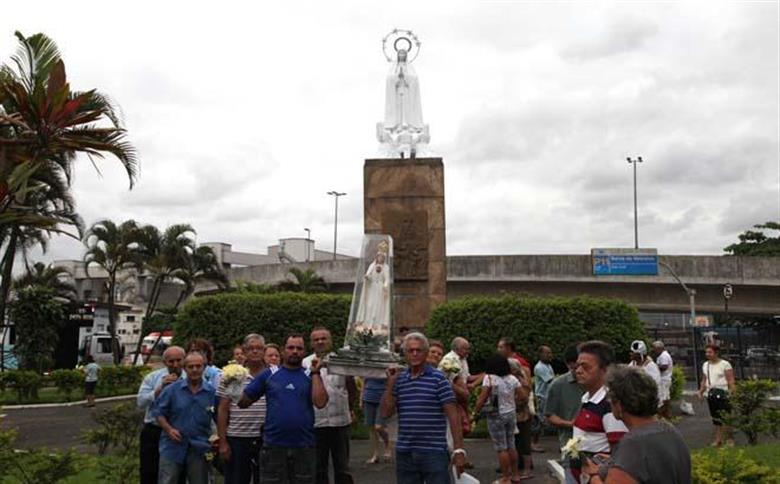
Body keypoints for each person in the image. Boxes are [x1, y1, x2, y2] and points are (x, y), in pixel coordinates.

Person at [239, 334, 328, 484]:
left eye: (299, 348)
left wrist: (315, 372)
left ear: (304, 352)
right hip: (274, 446)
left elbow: (320, 402)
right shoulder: (269, 374)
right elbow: (243, 402)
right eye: (290, 347)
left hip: (304, 446)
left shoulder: (310, 374)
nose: (294, 351)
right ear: (283, 350)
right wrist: (234, 385)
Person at [581, 366, 691, 484]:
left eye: (610, 399)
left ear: (619, 405)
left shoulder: (633, 445)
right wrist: (617, 462)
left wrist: (592, 475)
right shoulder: (671, 431)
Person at [381, 332, 467, 484]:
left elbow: (453, 416)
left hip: (434, 452)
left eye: (418, 350)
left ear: (426, 353)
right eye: (410, 350)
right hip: (405, 452)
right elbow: (385, 413)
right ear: (404, 354)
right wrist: (390, 385)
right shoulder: (399, 380)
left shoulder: (438, 379)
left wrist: (459, 450)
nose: (414, 354)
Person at [153, 351, 217, 484]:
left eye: (198, 366)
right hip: (172, 446)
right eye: (190, 366)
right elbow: (158, 412)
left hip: (199, 446)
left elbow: (219, 416)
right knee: (167, 480)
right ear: (184, 368)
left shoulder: (211, 392)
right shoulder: (171, 390)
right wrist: (169, 429)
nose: (195, 370)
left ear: (204, 367)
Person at [303, 327, 356, 484]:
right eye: (316, 339)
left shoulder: (341, 361)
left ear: (330, 341)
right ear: (311, 343)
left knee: (343, 467)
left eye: (324, 338)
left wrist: (350, 408)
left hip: (340, 422)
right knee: (318, 467)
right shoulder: (304, 363)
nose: (320, 341)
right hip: (316, 423)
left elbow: (351, 388)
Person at [569, 341, 628, 483]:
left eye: (585, 367)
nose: (578, 371)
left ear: (605, 370)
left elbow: (620, 454)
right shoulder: (587, 398)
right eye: (577, 366)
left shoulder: (609, 405)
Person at [217, 334, 267, 484]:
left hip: (265, 438)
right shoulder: (232, 375)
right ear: (244, 351)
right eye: (251, 348)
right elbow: (222, 409)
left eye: (259, 348)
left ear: (264, 351)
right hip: (237, 437)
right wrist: (223, 442)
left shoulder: (274, 374)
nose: (255, 352)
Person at [137, 345, 185, 484]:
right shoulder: (153, 377)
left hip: (179, 431)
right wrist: (158, 390)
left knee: (178, 472)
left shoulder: (191, 377)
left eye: (178, 360)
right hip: (154, 431)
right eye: (171, 361)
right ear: (165, 362)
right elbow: (140, 402)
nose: (175, 365)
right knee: (149, 471)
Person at [473, 355, 523, 484]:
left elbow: (482, 398)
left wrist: (475, 412)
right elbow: (522, 395)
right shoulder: (512, 379)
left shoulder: (489, 379)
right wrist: (514, 403)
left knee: (501, 447)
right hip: (511, 414)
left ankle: (505, 477)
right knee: (511, 444)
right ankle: (515, 474)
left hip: (495, 415)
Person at [544, 344, 584, 449]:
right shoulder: (558, 385)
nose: (578, 371)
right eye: (573, 368)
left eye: (581, 366)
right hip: (570, 442)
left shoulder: (597, 383)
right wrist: (570, 423)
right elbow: (549, 415)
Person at [697, 344, 735, 447]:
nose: (707, 354)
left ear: (716, 353)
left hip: (723, 393)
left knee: (726, 417)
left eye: (710, 352)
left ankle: (730, 439)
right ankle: (718, 439)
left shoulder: (725, 364)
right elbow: (704, 380)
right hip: (711, 394)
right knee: (716, 418)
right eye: (706, 352)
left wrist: (732, 393)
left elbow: (731, 380)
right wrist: (700, 392)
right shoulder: (706, 365)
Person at [508, 358, 534, 480]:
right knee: (517, 443)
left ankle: (527, 470)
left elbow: (523, 399)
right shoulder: (516, 379)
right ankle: (518, 468)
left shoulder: (520, 381)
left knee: (524, 443)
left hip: (522, 416)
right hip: (517, 415)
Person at [362, 376, 392, 464]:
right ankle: (376, 454)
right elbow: (364, 381)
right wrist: (361, 398)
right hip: (368, 397)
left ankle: (387, 445)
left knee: (379, 426)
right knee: (371, 428)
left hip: (382, 398)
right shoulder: (367, 366)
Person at [532, 346, 554, 452]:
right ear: (540, 354)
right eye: (547, 353)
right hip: (542, 397)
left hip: (548, 396)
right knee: (540, 421)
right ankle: (534, 443)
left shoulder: (548, 365)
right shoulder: (539, 367)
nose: (550, 355)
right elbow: (551, 381)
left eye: (550, 353)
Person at [628, 341, 662, 407]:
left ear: (639, 354)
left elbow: (654, 384)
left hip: (648, 400)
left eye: (633, 352)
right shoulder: (633, 363)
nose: (630, 354)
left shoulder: (651, 366)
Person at [651, 341, 674, 420]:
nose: (653, 351)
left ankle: (662, 415)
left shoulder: (663, 356)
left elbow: (664, 367)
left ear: (659, 348)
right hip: (665, 379)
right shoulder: (661, 355)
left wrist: (654, 368)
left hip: (664, 379)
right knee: (666, 397)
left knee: (663, 398)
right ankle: (667, 414)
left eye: (654, 349)